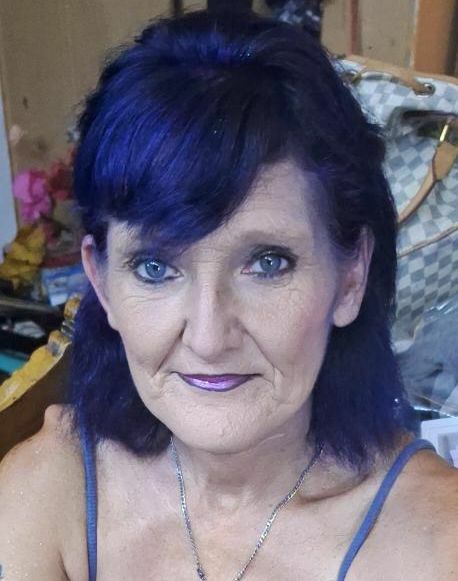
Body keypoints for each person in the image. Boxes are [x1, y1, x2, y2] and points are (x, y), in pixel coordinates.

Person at [0, 9, 457, 581]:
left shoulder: (435, 545)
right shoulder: (51, 492)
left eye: (267, 263)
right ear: (101, 282)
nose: (210, 338)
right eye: (154, 267)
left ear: (350, 277)